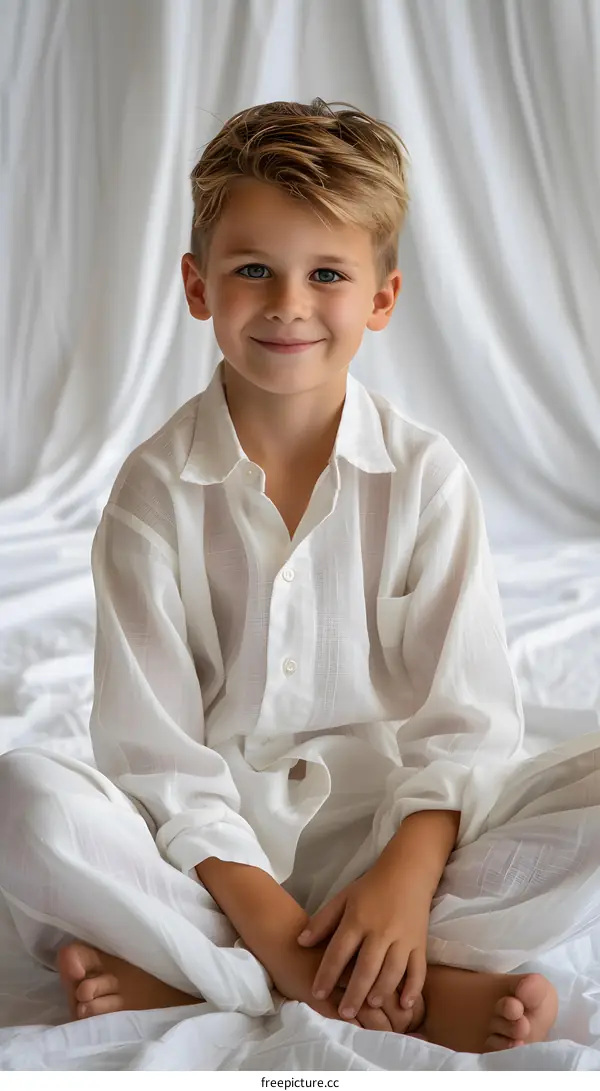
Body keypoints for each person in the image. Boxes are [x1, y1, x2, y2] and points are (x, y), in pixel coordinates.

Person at [5, 96, 600, 1056]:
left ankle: (208, 976)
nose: (288, 303)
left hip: (404, 851)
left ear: (381, 298)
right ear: (199, 287)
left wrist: (404, 886)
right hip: (212, 864)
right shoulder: (150, 495)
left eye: (327, 272)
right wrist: (281, 935)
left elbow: (469, 723)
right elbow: (154, 754)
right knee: (27, 799)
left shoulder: (427, 479)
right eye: (253, 270)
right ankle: (364, 986)